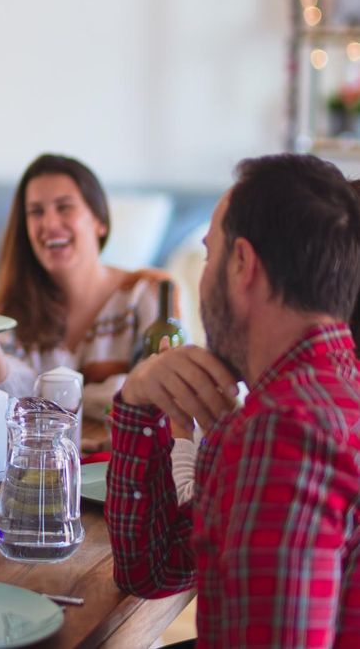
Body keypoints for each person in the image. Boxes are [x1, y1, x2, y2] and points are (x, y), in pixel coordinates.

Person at [106, 153, 360, 647]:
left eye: (208, 257)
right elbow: (153, 570)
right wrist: (138, 401)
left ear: (242, 264)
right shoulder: (327, 392)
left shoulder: (282, 432)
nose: (202, 282)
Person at [0, 154, 180, 427]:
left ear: (99, 221)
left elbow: (163, 394)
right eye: (36, 212)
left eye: (64, 207)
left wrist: (47, 399)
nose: (49, 224)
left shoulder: (148, 294)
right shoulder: (7, 306)